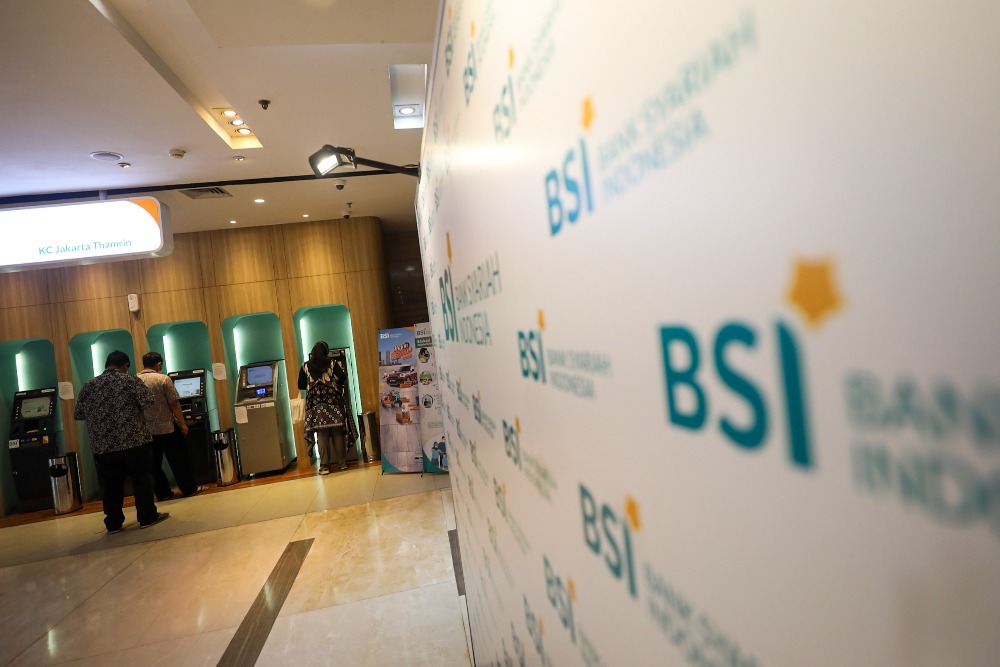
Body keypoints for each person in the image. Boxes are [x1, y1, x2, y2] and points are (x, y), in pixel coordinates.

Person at [74, 350, 169, 533]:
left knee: (111, 484)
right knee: (141, 479)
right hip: (134, 441)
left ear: (106, 365)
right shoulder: (131, 381)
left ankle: (113, 523)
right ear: (125, 366)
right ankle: (147, 516)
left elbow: (79, 414)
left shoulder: (88, 386)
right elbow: (148, 402)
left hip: (103, 446)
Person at [138, 351, 205, 500]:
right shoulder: (163, 379)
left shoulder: (135, 381)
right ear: (159, 364)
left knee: (154, 465)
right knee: (179, 460)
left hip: (147, 431)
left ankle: (163, 493)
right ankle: (189, 488)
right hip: (167, 428)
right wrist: (183, 423)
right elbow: (174, 403)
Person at [298, 342, 358, 473]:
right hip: (333, 402)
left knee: (321, 433)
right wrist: (336, 385)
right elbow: (343, 376)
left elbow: (300, 385)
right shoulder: (332, 363)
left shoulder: (305, 366)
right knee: (337, 431)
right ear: (326, 352)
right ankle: (342, 463)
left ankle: (325, 465)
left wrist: (311, 387)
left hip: (315, 406)